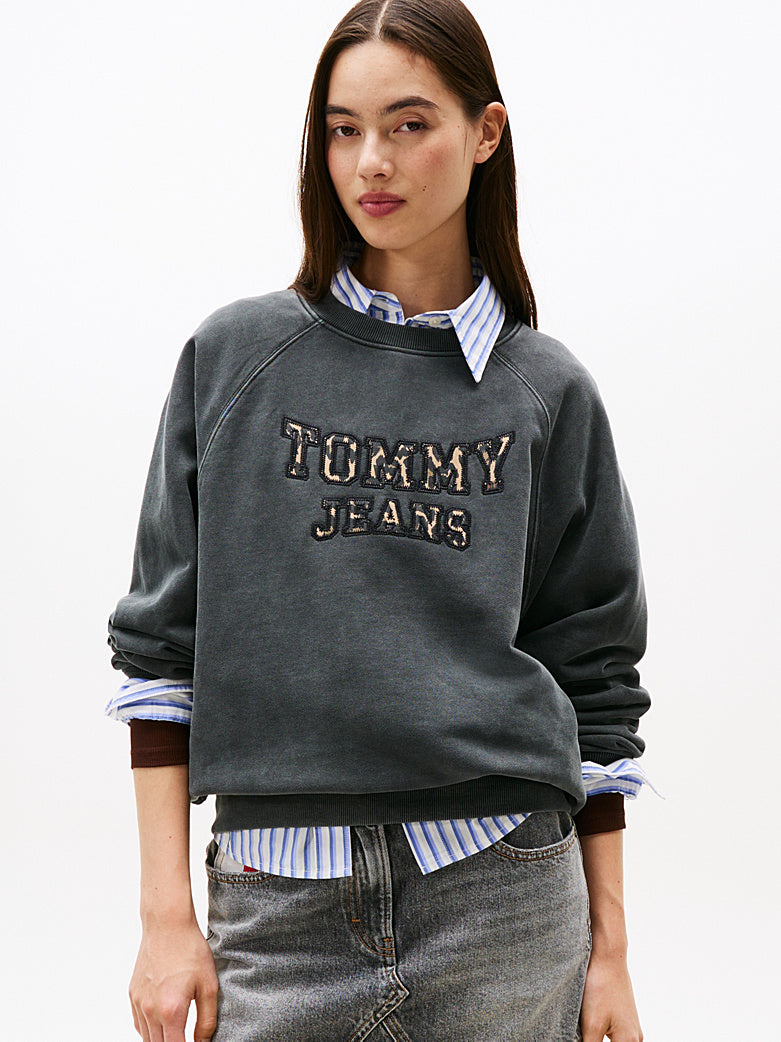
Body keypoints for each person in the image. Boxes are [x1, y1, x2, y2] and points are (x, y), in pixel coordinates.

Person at [105, 1, 652, 1039]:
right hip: (275, 909)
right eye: (343, 129)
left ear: (485, 133)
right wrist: (163, 917)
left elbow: (594, 678)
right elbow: (160, 653)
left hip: (504, 895)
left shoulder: (546, 392)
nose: (370, 163)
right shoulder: (235, 360)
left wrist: (611, 950)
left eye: (408, 124)